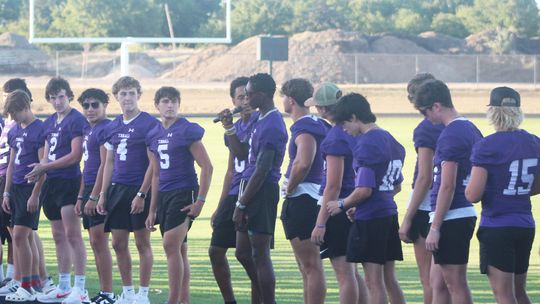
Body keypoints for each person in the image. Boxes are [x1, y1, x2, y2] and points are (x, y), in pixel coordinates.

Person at [327, 93, 406, 304]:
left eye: (344, 124)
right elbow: (395, 185)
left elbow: (364, 190)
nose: (344, 130)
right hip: (389, 213)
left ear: (354, 117)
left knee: (374, 282)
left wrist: (342, 204)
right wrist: (358, 203)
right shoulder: (391, 140)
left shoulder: (366, 144)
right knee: (390, 279)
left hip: (371, 218)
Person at [465, 87, 540, 304]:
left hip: (497, 225)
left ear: (492, 112)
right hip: (525, 223)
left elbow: (473, 194)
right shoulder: (534, 142)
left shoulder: (487, 146)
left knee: (504, 294)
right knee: (519, 292)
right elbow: (536, 187)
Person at [413, 79, 482, 304]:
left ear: (436, 106)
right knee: (438, 283)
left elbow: (447, 185)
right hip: (458, 213)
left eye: (425, 112)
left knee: (455, 283)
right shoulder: (470, 128)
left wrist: (434, 228)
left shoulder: (451, 134)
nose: (427, 119)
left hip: (453, 215)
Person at [24, 77, 90, 304]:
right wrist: (39, 175)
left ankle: (80, 288)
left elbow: (74, 156)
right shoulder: (49, 122)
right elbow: (45, 156)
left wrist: (45, 166)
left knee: (73, 235)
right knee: (58, 235)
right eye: (53, 97)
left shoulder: (77, 120)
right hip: (50, 183)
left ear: (69, 96)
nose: (57, 101)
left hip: (69, 182)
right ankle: (63, 286)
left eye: (61, 96)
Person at [145, 86, 213, 304]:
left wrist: (201, 201)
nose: (170, 105)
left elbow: (207, 167)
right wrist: (152, 209)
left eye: (174, 101)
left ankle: (172, 301)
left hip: (184, 191)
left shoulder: (187, 130)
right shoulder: (153, 134)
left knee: (170, 245)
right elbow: (155, 174)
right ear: (157, 105)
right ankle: (184, 300)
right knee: (180, 249)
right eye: (165, 101)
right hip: (164, 194)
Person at [96, 76, 159, 304]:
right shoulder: (113, 126)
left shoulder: (149, 123)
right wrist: (103, 193)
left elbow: (154, 163)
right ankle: (128, 293)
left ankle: (143, 295)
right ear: (116, 97)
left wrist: (142, 193)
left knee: (142, 243)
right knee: (118, 243)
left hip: (139, 188)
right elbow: (109, 163)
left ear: (138, 95)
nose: (127, 98)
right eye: (123, 94)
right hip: (117, 190)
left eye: (131, 93)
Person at [307, 83, 369, 304]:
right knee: (353, 272)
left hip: (338, 207)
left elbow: (333, 184)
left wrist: (321, 222)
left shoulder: (334, 137)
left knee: (344, 273)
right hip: (356, 203)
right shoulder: (356, 131)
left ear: (324, 109)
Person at [232, 73, 288, 304]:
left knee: (260, 253)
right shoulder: (261, 118)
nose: (246, 98)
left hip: (261, 190)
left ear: (262, 96)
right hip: (250, 184)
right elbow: (244, 153)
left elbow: (263, 169)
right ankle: (262, 297)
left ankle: (268, 301)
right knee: (242, 252)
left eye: (250, 93)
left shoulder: (273, 124)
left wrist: (242, 203)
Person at [0, 79, 54, 297]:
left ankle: (26, 285)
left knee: (21, 236)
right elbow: (12, 163)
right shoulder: (15, 131)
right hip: (16, 188)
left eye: (15, 112)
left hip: (31, 188)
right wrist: (6, 192)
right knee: (25, 237)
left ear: (25, 107)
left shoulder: (40, 129)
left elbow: (44, 166)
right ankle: (31, 285)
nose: (13, 118)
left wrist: (35, 194)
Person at [210, 77, 261, 304]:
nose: (245, 101)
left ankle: (262, 293)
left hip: (252, 190)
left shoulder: (262, 122)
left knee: (248, 255)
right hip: (234, 191)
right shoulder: (234, 127)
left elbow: (244, 155)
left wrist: (229, 128)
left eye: (248, 96)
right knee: (215, 251)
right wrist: (220, 205)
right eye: (240, 97)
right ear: (233, 100)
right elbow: (231, 168)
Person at [280, 78, 328, 304]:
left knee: (310, 265)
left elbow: (303, 162)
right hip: (315, 195)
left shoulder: (304, 126)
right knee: (307, 266)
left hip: (303, 197)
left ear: (290, 100)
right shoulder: (319, 123)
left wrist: (289, 186)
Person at [398, 73, 444, 304]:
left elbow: (425, 177)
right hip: (454, 206)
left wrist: (408, 218)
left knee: (429, 280)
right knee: (451, 281)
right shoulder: (458, 124)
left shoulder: (426, 129)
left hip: (428, 205)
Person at [74, 88, 115, 304]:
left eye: (95, 105)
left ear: (105, 105)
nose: (90, 109)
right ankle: (103, 291)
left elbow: (103, 165)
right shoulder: (89, 129)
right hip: (88, 186)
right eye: (86, 106)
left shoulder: (106, 128)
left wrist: (95, 195)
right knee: (94, 241)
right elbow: (86, 165)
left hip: (99, 190)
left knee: (100, 240)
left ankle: (108, 292)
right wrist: (81, 196)